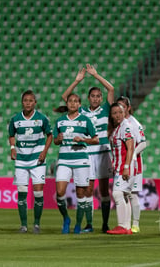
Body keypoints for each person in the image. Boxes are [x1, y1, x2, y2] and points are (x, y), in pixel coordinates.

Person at [61, 64, 114, 233]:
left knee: (104, 189)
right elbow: (66, 96)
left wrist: (96, 75)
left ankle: (105, 224)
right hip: (87, 153)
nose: (96, 99)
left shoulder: (106, 109)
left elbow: (111, 89)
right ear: (88, 98)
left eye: (99, 96)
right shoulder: (82, 111)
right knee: (88, 189)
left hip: (103, 152)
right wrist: (77, 80)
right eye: (93, 96)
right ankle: (89, 224)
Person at [53, 93, 99, 234]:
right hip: (64, 160)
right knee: (60, 192)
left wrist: (83, 140)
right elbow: (55, 141)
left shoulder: (85, 121)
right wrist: (58, 139)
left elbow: (96, 139)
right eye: (70, 101)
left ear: (79, 104)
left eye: (75, 101)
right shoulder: (60, 122)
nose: (72, 104)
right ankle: (66, 218)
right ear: (67, 104)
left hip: (81, 160)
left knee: (81, 194)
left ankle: (78, 225)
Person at [8, 90, 53, 234]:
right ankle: (23, 225)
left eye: (30, 101)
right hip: (21, 160)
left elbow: (50, 135)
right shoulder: (15, 119)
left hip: (37, 160)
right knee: (22, 192)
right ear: (22, 102)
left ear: (35, 103)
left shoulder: (41, 118)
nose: (28, 103)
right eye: (25, 100)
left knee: (38, 193)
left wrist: (44, 151)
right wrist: (13, 148)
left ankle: (37, 224)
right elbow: (11, 135)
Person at [116, 96, 147, 233]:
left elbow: (143, 142)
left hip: (134, 164)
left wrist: (133, 154)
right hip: (122, 164)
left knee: (132, 195)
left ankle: (135, 224)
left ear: (128, 108)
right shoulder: (118, 123)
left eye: (123, 106)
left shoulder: (134, 123)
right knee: (124, 195)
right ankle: (126, 224)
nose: (120, 109)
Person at [106, 103, 135, 235]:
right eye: (114, 113)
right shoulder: (117, 128)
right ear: (111, 115)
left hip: (125, 166)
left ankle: (122, 225)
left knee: (117, 194)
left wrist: (126, 167)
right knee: (124, 195)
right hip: (119, 166)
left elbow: (131, 147)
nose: (117, 115)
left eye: (119, 112)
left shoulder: (126, 127)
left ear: (124, 113)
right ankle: (127, 227)